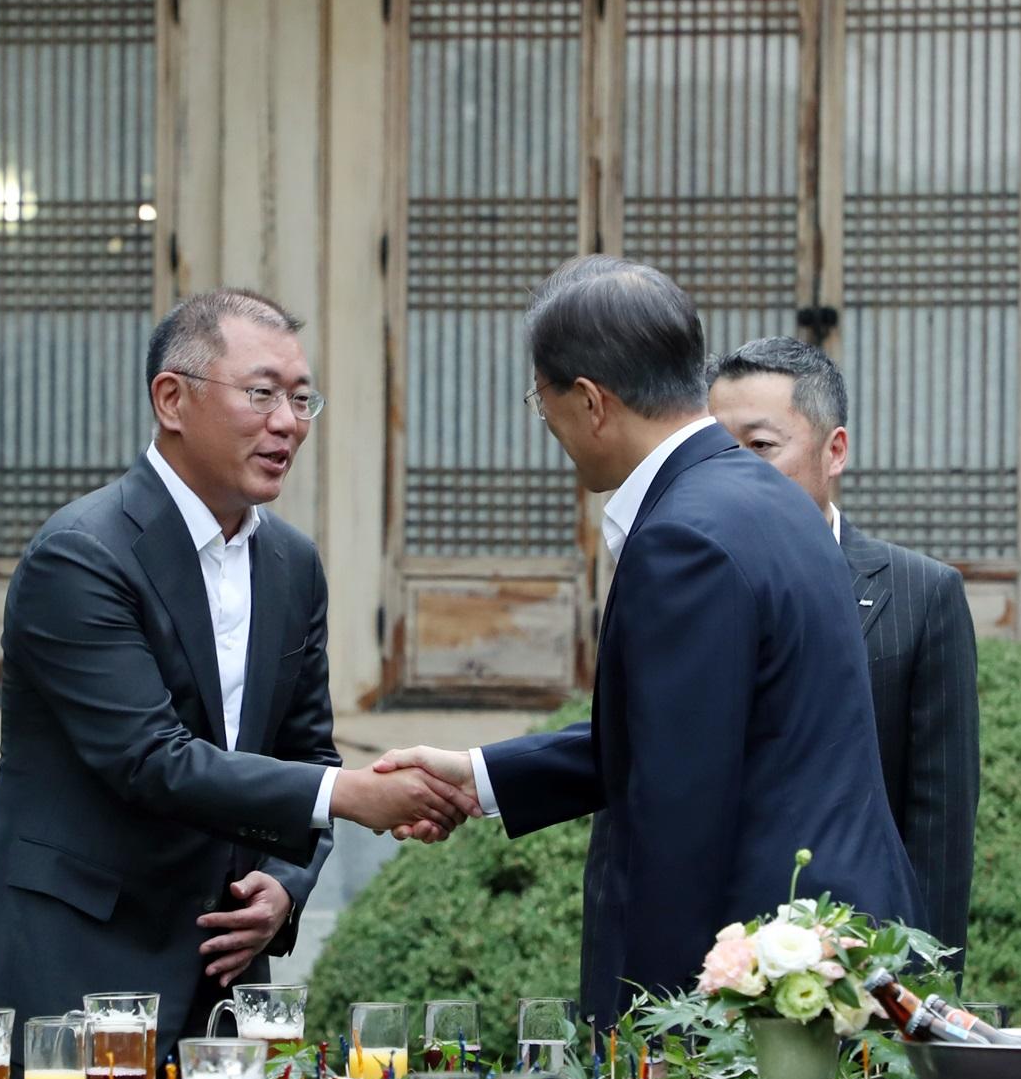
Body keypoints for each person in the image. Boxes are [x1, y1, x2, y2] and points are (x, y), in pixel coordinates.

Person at [376, 257, 923, 1025]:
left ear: (592, 402)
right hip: (828, 940)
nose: (553, 430)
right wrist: (478, 776)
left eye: (546, 405)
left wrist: (653, 1034)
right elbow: (686, 730)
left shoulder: (683, 538)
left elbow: (678, 820)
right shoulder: (768, 496)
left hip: (761, 976)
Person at [0, 288, 477, 1076]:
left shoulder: (292, 564)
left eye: (303, 400)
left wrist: (286, 886)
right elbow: (149, 758)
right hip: (78, 962)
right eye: (262, 393)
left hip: (221, 970)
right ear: (172, 398)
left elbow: (306, 751)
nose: (288, 422)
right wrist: (352, 797)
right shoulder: (83, 554)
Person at [708, 336, 980, 956]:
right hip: (711, 965)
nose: (734, 472)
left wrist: (923, 997)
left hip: (856, 962)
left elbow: (939, 826)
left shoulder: (921, 592)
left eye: (760, 448)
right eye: (720, 452)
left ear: (835, 451)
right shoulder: (685, 592)